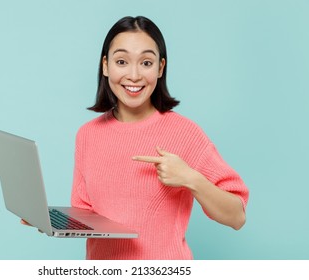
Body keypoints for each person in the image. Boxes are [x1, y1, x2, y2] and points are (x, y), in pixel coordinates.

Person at [69, 15, 249, 260]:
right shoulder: (87, 135)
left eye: (146, 63)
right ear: (105, 66)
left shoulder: (184, 133)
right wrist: (53, 223)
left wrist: (190, 178)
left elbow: (237, 216)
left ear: (160, 68)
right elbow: (85, 212)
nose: (133, 75)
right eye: (122, 61)